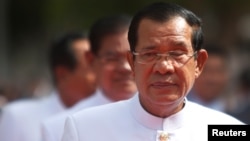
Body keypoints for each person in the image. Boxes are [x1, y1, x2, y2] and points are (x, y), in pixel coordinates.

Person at [62, 2, 244, 141]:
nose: (164, 67)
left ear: (199, 63)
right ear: (132, 62)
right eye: (150, 54)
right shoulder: (83, 129)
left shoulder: (230, 130)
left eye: (177, 53)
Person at [41, 15, 137, 141]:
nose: (125, 67)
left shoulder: (164, 115)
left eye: (132, 57)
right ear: (90, 59)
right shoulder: (60, 127)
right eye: (112, 58)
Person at [0, 32, 97, 141]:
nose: (100, 73)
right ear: (62, 74)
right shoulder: (19, 117)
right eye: (92, 67)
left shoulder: (108, 115)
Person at [187, 44, 231, 112]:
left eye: (218, 71)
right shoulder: (174, 111)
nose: (212, 79)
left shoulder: (237, 114)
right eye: (206, 70)